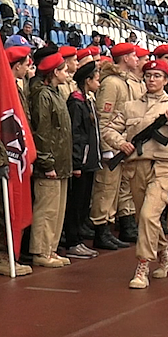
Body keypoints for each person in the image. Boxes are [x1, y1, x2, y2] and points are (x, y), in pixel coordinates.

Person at [105, 59, 168, 288]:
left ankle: (143, 265)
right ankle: (163, 252)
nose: (152, 79)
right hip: (136, 168)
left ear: (166, 80)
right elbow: (109, 129)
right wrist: (120, 143)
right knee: (145, 217)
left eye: (157, 76)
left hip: (163, 167)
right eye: (149, 75)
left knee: (148, 216)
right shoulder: (130, 106)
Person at [90, 43, 142, 250]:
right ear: (124, 58)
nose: (137, 59)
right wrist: (106, 147)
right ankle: (100, 228)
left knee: (117, 188)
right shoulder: (112, 83)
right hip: (112, 144)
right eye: (133, 55)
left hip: (123, 144)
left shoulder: (125, 81)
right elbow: (104, 117)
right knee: (106, 188)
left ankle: (110, 224)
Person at [28, 53, 73, 268]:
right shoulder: (43, 95)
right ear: (54, 72)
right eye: (64, 70)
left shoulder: (55, 93)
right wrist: (46, 161)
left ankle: (51, 248)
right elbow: (42, 131)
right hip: (51, 162)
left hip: (60, 161)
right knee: (46, 209)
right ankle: (41, 250)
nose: (67, 74)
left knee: (57, 209)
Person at [65, 60, 100, 258]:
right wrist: (77, 162)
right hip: (82, 162)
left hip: (89, 161)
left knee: (84, 201)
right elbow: (76, 135)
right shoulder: (76, 103)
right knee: (76, 203)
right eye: (96, 79)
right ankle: (73, 241)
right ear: (87, 81)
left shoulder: (88, 101)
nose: (99, 83)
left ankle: (77, 238)